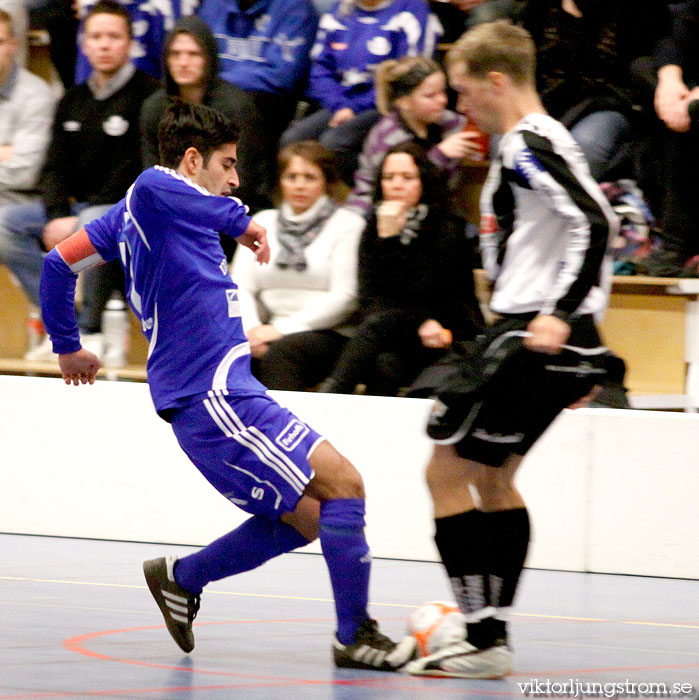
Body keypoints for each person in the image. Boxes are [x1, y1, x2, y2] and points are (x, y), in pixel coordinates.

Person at [38, 99, 416, 671]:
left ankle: (183, 579)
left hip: (224, 393)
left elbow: (59, 264)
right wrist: (243, 222)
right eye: (228, 164)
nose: (237, 179)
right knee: (345, 485)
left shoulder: (136, 216)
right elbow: (62, 260)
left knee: (313, 517)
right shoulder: (150, 190)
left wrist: (68, 345)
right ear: (193, 161)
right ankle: (354, 636)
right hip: (211, 397)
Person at [404, 21, 619, 679]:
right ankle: (487, 638)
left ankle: (481, 636)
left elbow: (594, 219)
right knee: (493, 479)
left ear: (497, 81)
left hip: (529, 333)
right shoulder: (531, 142)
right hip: (548, 335)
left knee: (444, 472)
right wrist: (583, 338)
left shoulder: (527, 145)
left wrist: (560, 317)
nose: (461, 107)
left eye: (466, 92)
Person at [0, 0, 158, 360]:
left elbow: (135, 169)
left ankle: (92, 328)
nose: (104, 45)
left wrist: (74, 220)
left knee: (92, 223)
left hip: (127, 208)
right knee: (5, 226)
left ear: (129, 44)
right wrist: (56, 213)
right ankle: (62, 322)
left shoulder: (150, 96)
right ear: (84, 44)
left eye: (113, 37)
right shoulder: (72, 99)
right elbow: (53, 167)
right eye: (96, 36)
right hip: (75, 208)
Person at [319, 141, 483, 396]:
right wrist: (386, 237)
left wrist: (390, 241)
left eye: (407, 177)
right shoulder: (374, 226)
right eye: (389, 177)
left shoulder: (448, 228)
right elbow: (369, 296)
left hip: (447, 331)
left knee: (379, 326)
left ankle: (332, 394)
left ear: (423, 182)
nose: (396, 185)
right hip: (397, 332)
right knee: (384, 363)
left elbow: (428, 294)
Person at [231, 140, 365, 390]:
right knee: (223, 350)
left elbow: (345, 297)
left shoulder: (348, 224)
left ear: (327, 182)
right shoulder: (263, 222)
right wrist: (252, 331)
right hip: (264, 330)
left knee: (283, 354)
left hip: (329, 333)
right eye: (291, 177)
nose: (299, 185)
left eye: (309, 177)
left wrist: (280, 330)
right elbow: (240, 287)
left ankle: (282, 428)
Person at [140, 15, 272, 248]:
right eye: (175, 54)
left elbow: (244, 180)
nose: (183, 62)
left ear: (209, 58)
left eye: (193, 54)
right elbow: (152, 171)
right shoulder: (154, 108)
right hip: (172, 212)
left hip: (232, 211)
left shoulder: (236, 106)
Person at [279, 0, 443, 183]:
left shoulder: (411, 9)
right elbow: (319, 69)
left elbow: (408, 75)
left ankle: (367, 197)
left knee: (334, 143)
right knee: (292, 140)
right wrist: (340, 105)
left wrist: (354, 108)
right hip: (341, 103)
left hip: (387, 103)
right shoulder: (339, 10)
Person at [514, 0, 671, 183]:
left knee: (583, 146)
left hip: (608, 102)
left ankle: (572, 209)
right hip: (544, 102)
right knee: (514, 143)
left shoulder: (633, 9)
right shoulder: (538, 8)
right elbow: (522, 70)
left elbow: (641, 66)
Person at [197, 0, 318, 209]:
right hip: (213, 95)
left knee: (238, 106)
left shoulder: (296, 9)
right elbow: (194, 59)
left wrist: (220, 83)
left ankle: (244, 198)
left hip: (267, 103)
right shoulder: (211, 5)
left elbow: (283, 76)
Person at [345, 55, 479, 217]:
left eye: (443, 91)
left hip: (439, 211)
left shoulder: (450, 122)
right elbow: (397, 192)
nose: (443, 100)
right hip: (385, 212)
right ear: (403, 102)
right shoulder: (386, 137)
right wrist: (440, 155)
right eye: (430, 96)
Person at [0, 9, 57, 207]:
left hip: (15, 203)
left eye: (0, 42)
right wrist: (4, 152)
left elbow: (24, 174)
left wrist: (11, 155)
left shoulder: (36, 94)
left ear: (14, 45)